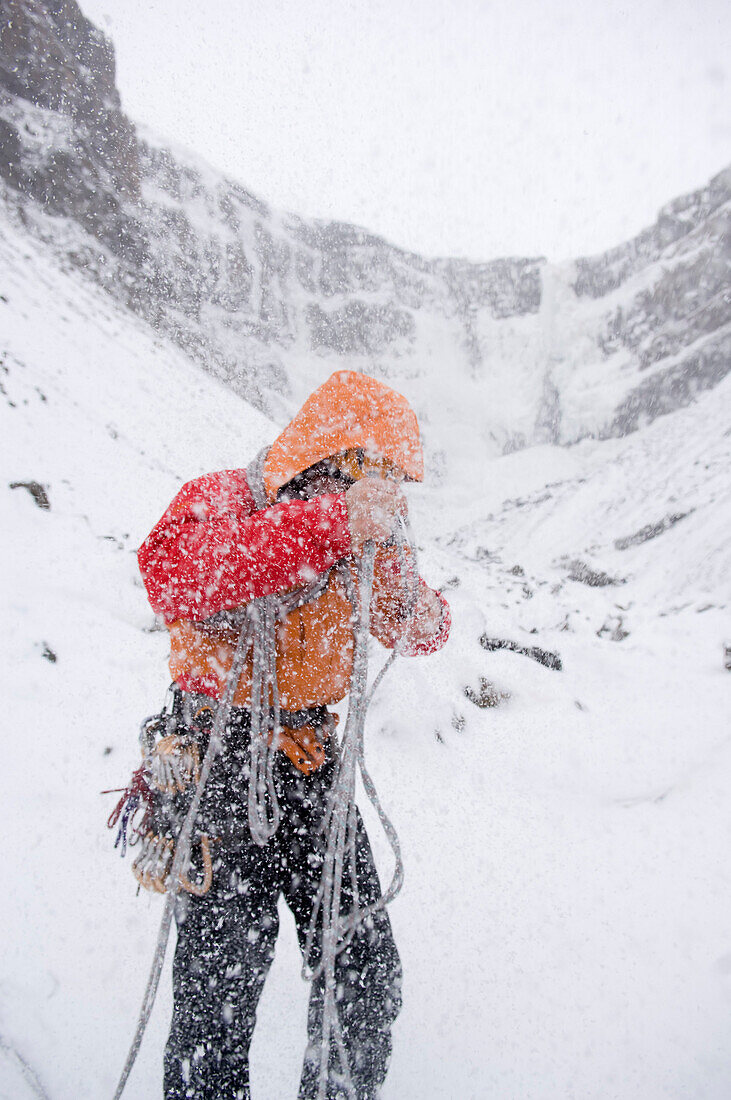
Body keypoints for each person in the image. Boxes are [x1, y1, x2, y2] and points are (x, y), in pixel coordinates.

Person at [136, 370, 450, 1100]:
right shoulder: (217, 500)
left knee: (364, 968)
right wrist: (336, 525)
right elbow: (176, 579)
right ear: (325, 456)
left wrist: (414, 602)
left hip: (312, 766)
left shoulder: (358, 531)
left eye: (386, 477)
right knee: (218, 993)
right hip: (217, 764)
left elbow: (407, 627)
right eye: (368, 469)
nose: (376, 486)